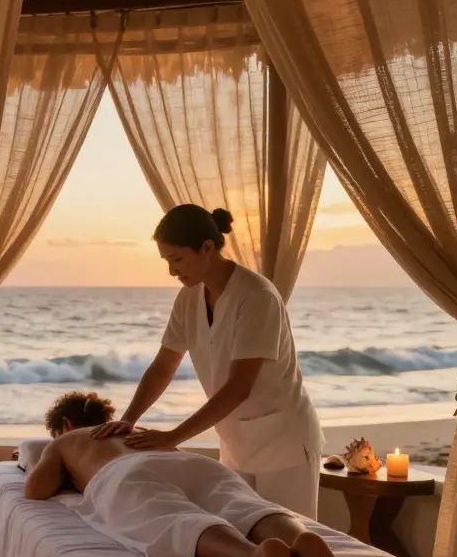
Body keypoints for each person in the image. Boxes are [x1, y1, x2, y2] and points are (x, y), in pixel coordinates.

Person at [26, 392, 361, 557]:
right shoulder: (135, 431)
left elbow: (36, 489)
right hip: (190, 463)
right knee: (244, 507)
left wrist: (38, 458)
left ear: (65, 424)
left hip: (126, 474)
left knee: (177, 520)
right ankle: (300, 539)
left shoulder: (66, 440)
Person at [92, 205, 325, 519]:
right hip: (235, 442)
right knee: (243, 537)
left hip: (284, 444)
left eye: (177, 259)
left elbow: (239, 387)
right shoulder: (189, 298)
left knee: (292, 540)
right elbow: (163, 366)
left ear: (206, 248)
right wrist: (129, 419)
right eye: (167, 261)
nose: (172, 271)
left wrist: (173, 437)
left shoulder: (257, 296)